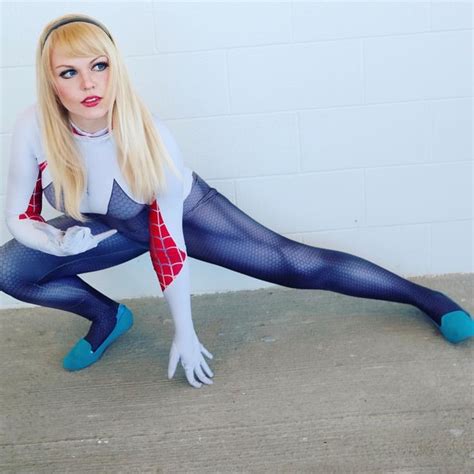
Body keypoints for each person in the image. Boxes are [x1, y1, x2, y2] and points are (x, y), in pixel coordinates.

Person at [1, 14, 472, 389]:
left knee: (296, 265)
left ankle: (426, 298)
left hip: (184, 218)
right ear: (52, 82)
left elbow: (168, 245)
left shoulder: (152, 141)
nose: (88, 85)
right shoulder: (34, 128)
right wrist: (54, 242)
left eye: (98, 66)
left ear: (116, 68)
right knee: (9, 270)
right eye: (70, 72)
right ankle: (107, 316)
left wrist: (185, 331)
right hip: (116, 232)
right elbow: (20, 215)